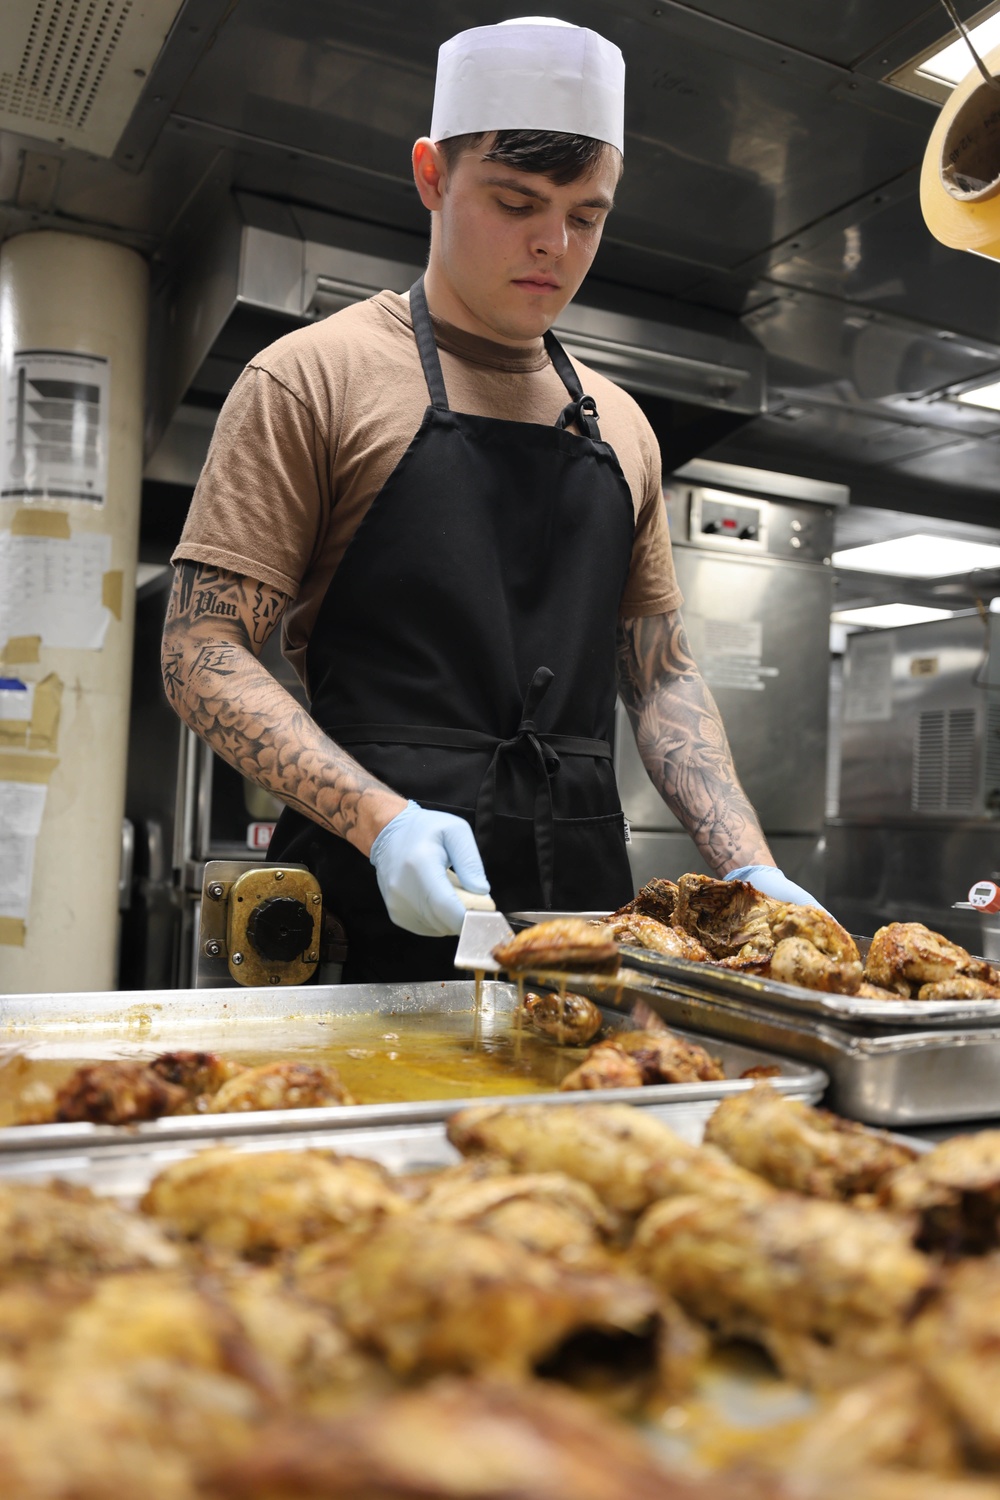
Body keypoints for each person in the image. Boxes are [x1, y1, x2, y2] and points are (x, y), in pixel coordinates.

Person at [162, 16, 822, 983]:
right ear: (432, 176)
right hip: (368, 900)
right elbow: (198, 652)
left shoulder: (623, 426)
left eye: (587, 216)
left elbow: (663, 676)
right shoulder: (314, 378)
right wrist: (382, 825)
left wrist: (748, 864)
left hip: (588, 919)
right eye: (515, 201)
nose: (553, 244)